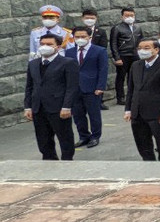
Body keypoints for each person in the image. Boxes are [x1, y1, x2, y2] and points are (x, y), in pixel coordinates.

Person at [23, 32, 78, 160]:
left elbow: (72, 87)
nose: (44, 46)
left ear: (58, 47)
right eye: (42, 44)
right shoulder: (33, 64)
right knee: (43, 139)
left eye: (49, 44)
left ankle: (67, 162)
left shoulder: (67, 63)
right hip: (38, 108)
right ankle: (49, 161)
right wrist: (28, 107)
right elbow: (29, 87)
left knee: (65, 138)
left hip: (58, 108)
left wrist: (67, 106)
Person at [124, 37, 160, 162]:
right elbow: (131, 89)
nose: (142, 51)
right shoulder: (136, 65)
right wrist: (128, 109)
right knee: (142, 144)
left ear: (156, 49)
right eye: (140, 48)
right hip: (138, 112)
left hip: (157, 113)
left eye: (146, 48)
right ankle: (148, 165)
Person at [70, 24, 107, 148]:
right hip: (75, 88)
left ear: (89, 37)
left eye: (83, 36)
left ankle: (95, 136)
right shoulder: (69, 52)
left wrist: (100, 87)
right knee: (78, 115)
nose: (80, 39)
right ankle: (83, 136)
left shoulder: (99, 51)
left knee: (94, 114)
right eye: (77, 36)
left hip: (92, 88)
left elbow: (103, 70)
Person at [109, 6, 142, 106]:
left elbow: (141, 40)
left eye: (131, 15)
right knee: (121, 77)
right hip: (123, 55)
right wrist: (117, 58)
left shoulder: (138, 27)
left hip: (135, 55)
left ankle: (132, 96)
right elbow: (113, 43)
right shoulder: (117, 28)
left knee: (134, 76)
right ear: (122, 16)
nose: (129, 17)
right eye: (127, 15)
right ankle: (120, 97)